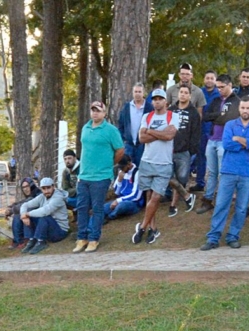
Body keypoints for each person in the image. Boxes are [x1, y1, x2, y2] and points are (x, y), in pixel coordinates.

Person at [202, 97, 249, 250]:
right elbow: (228, 144)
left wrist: (239, 139)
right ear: (239, 108)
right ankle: (213, 237)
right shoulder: (230, 124)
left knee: (242, 207)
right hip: (228, 170)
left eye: (248, 108)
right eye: (243, 108)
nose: (245, 111)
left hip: (247, 172)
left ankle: (233, 236)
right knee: (221, 204)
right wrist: (246, 142)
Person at [75, 99, 126, 252]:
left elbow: (120, 150)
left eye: (98, 110)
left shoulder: (110, 130)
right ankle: (81, 238)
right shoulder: (86, 128)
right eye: (93, 110)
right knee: (82, 207)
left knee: (97, 209)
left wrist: (109, 164)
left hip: (101, 177)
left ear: (104, 113)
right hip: (84, 176)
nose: (95, 112)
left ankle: (93, 238)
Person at [131, 88, 178, 245]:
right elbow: (142, 138)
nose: (157, 101)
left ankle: (142, 227)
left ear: (166, 101)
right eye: (155, 99)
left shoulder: (173, 116)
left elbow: (170, 135)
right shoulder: (147, 116)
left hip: (164, 162)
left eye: (160, 99)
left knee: (157, 196)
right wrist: (160, 133)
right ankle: (153, 228)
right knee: (149, 196)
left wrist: (151, 131)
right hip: (147, 161)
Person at [199, 75, 240, 213]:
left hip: (225, 141)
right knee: (211, 172)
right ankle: (208, 199)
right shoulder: (216, 100)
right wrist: (219, 115)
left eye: (222, 87)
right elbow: (205, 117)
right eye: (218, 87)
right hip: (212, 139)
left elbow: (230, 119)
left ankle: (223, 201)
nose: (219, 90)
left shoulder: (236, 101)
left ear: (230, 85)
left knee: (224, 173)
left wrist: (217, 117)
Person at [168, 84, 202, 217]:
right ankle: (187, 196)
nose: (182, 94)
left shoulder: (193, 112)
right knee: (168, 176)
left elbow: (196, 132)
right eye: (181, 92)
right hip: (169, 150)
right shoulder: (170, 110)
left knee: (181, 178)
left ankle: (173, 204)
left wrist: (191, 150)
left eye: (185, 92)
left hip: (184, 151)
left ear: (190, 95)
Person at [19, 177, 71, 254]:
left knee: (44, 217)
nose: (46, 191)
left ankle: (41, 242)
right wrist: (24, 215)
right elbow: (25, 205)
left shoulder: (58, 197)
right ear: (41, 189)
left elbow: (46, 211)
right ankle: (32, 239)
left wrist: (27, 214)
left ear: (53, 186)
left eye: (48, 188)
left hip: (60, 231)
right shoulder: (42, 196)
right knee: (30, 212)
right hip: (49, 228)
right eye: (44, 188)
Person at [194, 70, 219, 194]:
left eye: (212, 78)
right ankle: (200, 182)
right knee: (200, 156)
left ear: (215, 80)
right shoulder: (199, 92)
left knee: (214, 158)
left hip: (214, 129)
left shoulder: (219, 93)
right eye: (207, 78)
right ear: (204, 79)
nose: (209, 80)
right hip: (200, 128)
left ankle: (214, 186)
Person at [2, 177, 41, 249]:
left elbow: (26, 204)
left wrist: (11, 210)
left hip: (41, 221)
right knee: (18, 214)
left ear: (31, 185)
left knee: (21, 213)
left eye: (27, 186)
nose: (25, 189)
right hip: (34, 220)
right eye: (23, 187)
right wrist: (10, 207)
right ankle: (18, 241)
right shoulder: (32, 194)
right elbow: (22, 202)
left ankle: (25, 239)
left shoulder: (38, 194)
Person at [117, 83, 148, 166]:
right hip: (129, 144)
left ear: (143, 93)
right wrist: (123, 139)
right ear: (132, 93)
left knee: (140, 168)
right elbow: (121, 124)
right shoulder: (127, 107)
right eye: (135, 91)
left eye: (139, 92)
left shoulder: (149, 107)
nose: (137, 94)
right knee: (126, 168)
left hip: (142, 145)